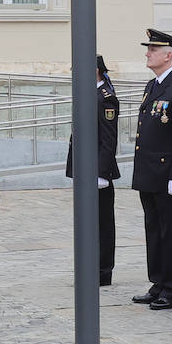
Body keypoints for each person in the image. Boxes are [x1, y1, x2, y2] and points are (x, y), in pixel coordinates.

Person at [129, 29, 172, 310]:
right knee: (154, 231)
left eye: (153, 49)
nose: (147, 53)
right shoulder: (153, 86)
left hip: (168, 174)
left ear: (168, 55)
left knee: (170, 232)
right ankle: (157, 281)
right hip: (149, 174)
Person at [65, 55, 121, 286]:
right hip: (85, 170)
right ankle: (89, 267)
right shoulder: (89, 93)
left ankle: (102, 271)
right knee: (87, 222)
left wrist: (102, 173)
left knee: (102, 225)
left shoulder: (105, 97)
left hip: (98, 173)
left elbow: (109, 139)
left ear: (95, 71)